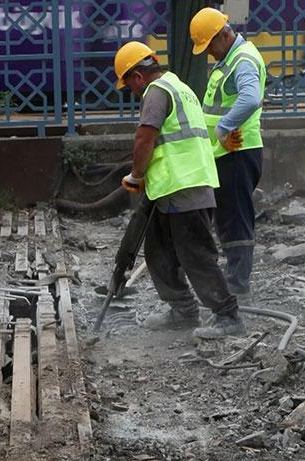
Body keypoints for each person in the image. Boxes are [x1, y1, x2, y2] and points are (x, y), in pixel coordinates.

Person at [114, 41, 246, 339]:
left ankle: (228, 315)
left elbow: (145, 138)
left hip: (184, 185)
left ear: (137, 76)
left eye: (130, 85)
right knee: (158, 252)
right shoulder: (179, 86)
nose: (133, 93)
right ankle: (183, 310)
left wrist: (135, 176)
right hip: (175, 186)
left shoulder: (156, 92)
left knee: (195, 254)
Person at [190, 7, 266, 301]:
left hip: (238, 149)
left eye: (210, 46)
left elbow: (250, 98)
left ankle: (238, 281)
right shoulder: (231, 59)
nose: (209, 52)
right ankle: (235, 275)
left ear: (223, 35)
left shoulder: (242, 60)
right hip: (229, 151)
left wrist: (223, 127)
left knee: (236, 217)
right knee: (229, 215)